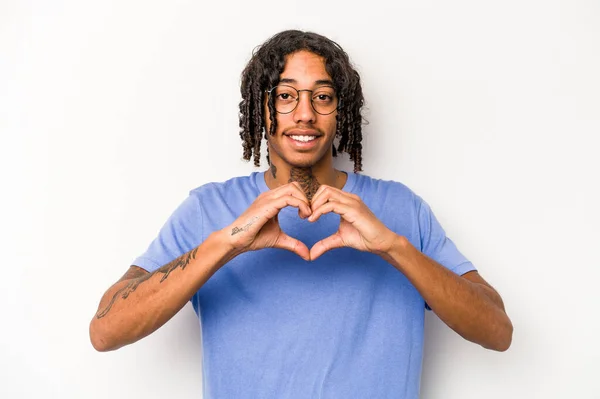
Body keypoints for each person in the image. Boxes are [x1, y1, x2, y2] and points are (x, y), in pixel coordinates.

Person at [90, 30, 513, 398]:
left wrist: (393, 246)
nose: (305, 113)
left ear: (340, 111)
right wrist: (226, 243)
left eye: (322, 97)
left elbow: (497, 330)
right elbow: (106, 330)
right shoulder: (207, 209)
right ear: (261, 109)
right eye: (286, 96)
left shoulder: (401, 208)